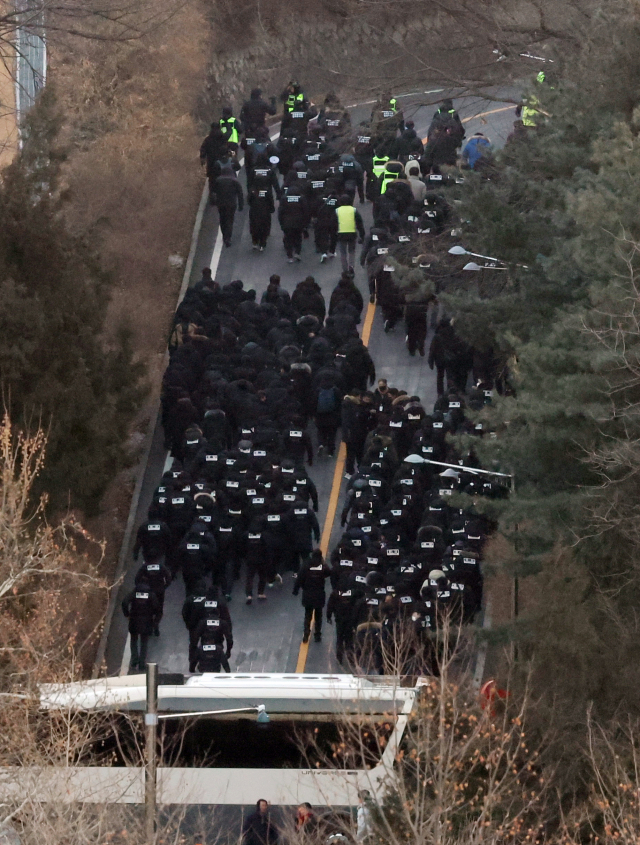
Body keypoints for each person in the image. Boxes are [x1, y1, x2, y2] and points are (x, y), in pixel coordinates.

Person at [121, 576, 161, 673]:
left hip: (134, 620)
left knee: (134, 640)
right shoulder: (151, 595)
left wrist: (127, 614)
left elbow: (124, 602)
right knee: (144, 642)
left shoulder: (134, 593)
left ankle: (134, 661)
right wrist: (155, 621)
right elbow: (157, 608)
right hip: (147, 621)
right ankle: (142, 663)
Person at [293, 548, 331, 643]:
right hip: (319, 594)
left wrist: (296, 590)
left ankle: (306, 634)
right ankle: (317, 635)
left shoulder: (306, 565)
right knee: (318, 616)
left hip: (308, 594)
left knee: (308, 615)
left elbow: (299, 579)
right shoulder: (322, 566)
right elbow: (329, 573)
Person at [211, 165, 244, 246]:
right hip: (231, 204)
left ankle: (224, 235)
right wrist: (241, 205)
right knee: (230, 219)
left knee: (222, 219)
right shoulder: (235, 181)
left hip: (221, 203)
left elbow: (213, 191)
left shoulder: (218, 180)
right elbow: (240, 193)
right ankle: (228, 237)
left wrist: (214, 202)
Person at [278, 186, 310, 262]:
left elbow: (280, 212)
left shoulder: (284, 199)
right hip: (298, 222)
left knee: (288, 239)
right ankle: (297, 253)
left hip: (287, 223)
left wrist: (281, 223)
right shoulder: (301, 198)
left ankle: (289, 256)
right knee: (298, 237)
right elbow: (306, 211)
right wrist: (305, 223)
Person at [335, 195, 365, 276]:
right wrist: (362, 234)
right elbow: (359, 223)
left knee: (343, 252)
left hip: (341, 234)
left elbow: (333, 223)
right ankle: (351, 266)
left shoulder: (337, 210)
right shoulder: (354, 210)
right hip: (352, 233)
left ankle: (345, 269)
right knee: (351, 251)